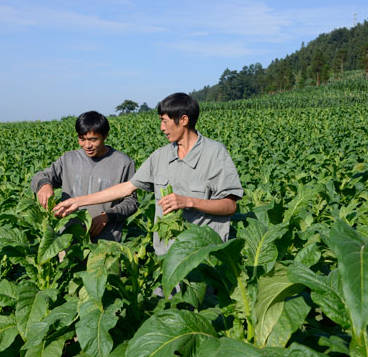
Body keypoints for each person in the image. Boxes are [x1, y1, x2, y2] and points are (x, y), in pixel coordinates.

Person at [53, 93, 243, 254]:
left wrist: (188, 201)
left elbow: (229, 206)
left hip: (202, 255)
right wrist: (77, 201)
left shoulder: (214, 153)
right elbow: (127, 188)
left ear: (183, 120)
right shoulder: (160, 156)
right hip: (165, 254)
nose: (161, 128)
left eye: (164, 121)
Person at [31, 110, 138, 242]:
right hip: (68, 240)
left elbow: (131, 202)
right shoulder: (69, 159)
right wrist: (44, 185)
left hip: (105, 242)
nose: (87, 146)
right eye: (82, 139)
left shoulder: (123, 163)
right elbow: (40, 176)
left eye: (93, 140)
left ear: (105, 136)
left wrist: (107, 216)